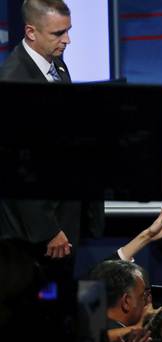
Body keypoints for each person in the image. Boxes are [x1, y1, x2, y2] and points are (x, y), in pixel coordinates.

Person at [0, 0, 104, 321]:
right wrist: (49, 230)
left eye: (69, 31)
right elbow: (16, 169)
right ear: (31, 32)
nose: (67, 40)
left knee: (59, 310)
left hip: (64, 219)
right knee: (37, 315)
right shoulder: (13, 82)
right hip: (36, 237)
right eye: (59, 33)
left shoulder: (54, 64)